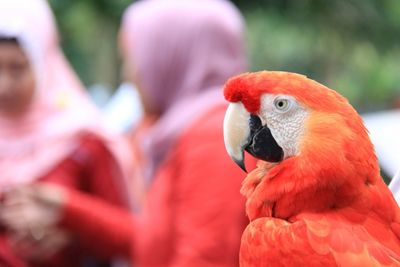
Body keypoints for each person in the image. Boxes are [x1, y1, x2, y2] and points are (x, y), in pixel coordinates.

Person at [1, 0, 253, 266]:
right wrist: (68, 210)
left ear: (170, 59)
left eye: (135, 60)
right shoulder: (193, 131)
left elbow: (204, 257)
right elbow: (152, 242)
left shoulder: (212, 139)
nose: (129, 75)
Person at [0, 0, 129, 267]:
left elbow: (129, 235)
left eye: (18, 68)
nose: (4, 86)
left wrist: (69, 222)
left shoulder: (81, 140)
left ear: (43, 64)